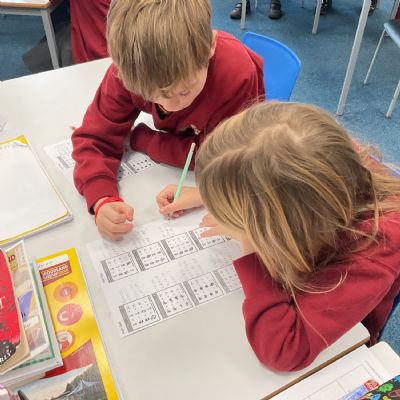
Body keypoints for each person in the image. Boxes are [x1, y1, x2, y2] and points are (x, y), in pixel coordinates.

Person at [157, 101, 400, 371]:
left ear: (281, 225)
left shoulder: (377, 249)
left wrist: (248, 240)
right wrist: (213, 194)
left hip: (346, 342)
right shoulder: (321, 158)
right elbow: (274, 178)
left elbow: (284, 351)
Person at [72, 0, 265, 241]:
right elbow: (94, 137)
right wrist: (101, 197)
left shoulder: (235, 75)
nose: (169, 105)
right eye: (151, 95)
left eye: (184, 91)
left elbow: (222, 160)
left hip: (236, 167)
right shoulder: (133, 67)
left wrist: (142, 139)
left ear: (211, 47)